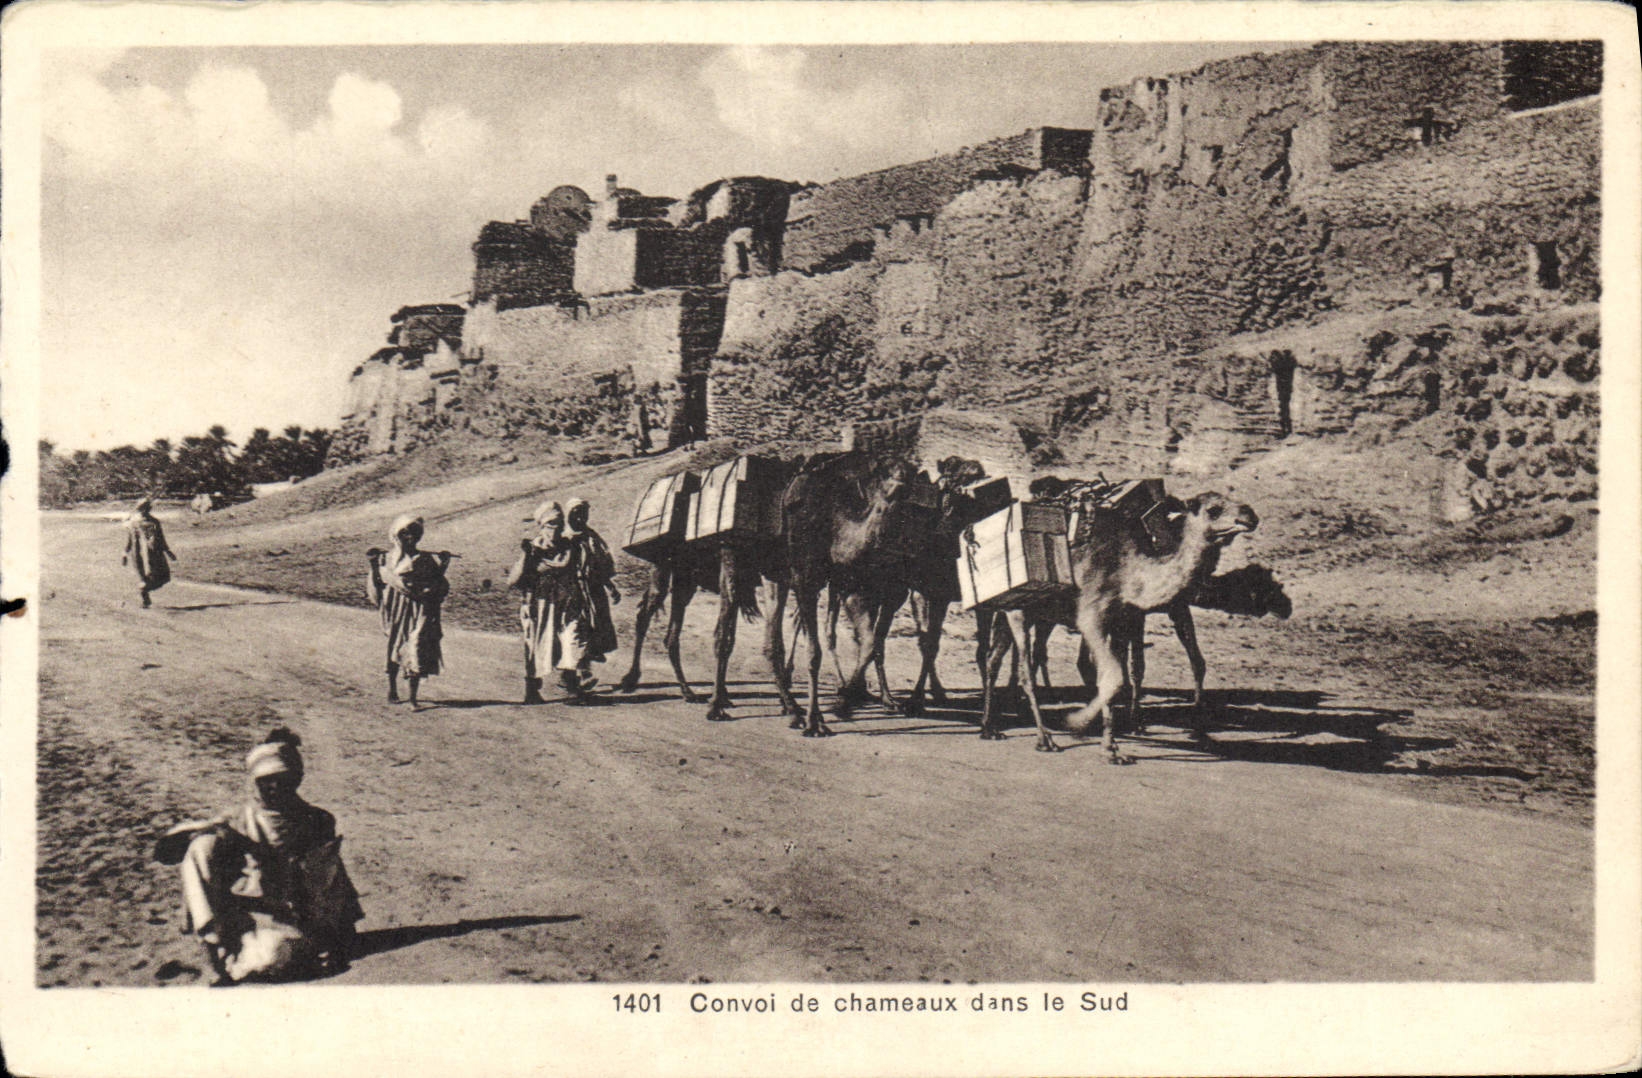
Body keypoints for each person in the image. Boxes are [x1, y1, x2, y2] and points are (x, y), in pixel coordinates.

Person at [153, 728, 364, 985]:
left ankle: (256, 955)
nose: (274, 787)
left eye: (282, 779)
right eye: (266, 780)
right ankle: (212, 949)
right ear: (254, 782)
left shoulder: (316, 821)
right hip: (249, 917)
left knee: (273, 956)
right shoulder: (238, 820)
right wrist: (207, 837)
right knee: (201, 847)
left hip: (294, 917)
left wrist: (334, 932)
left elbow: (329, 883)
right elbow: (166, 852)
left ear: (296, 779)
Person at [508, 501, 589, 704]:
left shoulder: (569, 547)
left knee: (572, 638)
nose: (555, 529)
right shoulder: (533, 549)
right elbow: (514, 581)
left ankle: (571, 686)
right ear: (542, 526)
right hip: (540, 604)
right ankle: (532, 690)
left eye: (558, 524)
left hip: (567, 602)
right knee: (537, 645)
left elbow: (578, 570)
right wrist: (527, 557)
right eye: (550, 524)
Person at [366, 515, 451, 706]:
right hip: (396, 608)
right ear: (396, 535)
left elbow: (437, 582)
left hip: (420, 608)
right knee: (395, 646)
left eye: (413, 533)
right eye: (404, 533)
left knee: (416, 645)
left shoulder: (426, 559)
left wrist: (444, 565)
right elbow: (378, 585)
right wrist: (373, 565)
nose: (409, 537)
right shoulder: (386, 559)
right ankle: (392, 689)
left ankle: (413, 697)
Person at [564, 498, 621, 691]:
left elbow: (601, 564)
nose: (580, 517)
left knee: (595, 628)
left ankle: (571, 674)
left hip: (594, 591)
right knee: (579, 630)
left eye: (584, 513)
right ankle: (583, 672)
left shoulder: (591, 537)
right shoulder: (563, 538)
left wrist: (610, 587)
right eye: (576, 513)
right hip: (572, 592)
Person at [121, 496, 177, 608]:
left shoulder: (152, 522)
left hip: (152, 553)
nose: (144, 510)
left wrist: (168, 551)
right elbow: (130, 540)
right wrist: (124, 553)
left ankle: (144, 591)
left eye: (146, 508)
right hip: (142, 554)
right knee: (153, 577)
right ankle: (145, 594)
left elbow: (160, 538)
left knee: (162, 577)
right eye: (143, 508)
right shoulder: (136, 523)